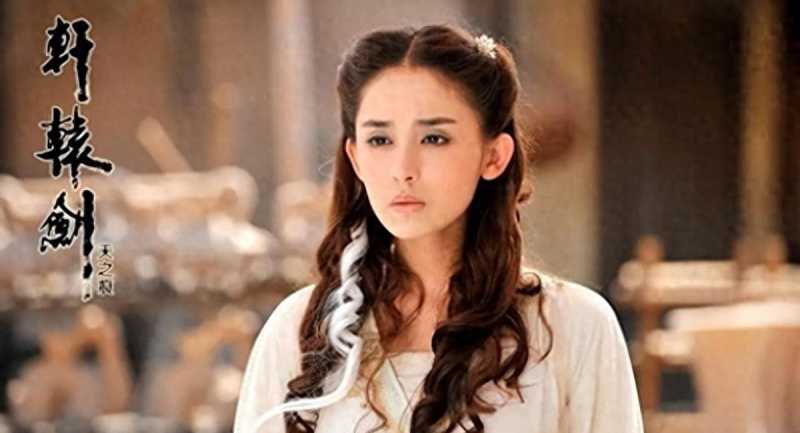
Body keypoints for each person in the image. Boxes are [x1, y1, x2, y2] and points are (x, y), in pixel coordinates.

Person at [234, 24, 643, 433]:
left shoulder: (572, 326)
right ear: (356, 158)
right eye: (380, 140)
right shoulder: (299, 330)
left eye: (433, 138)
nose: (403, 170)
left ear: (494, 156)